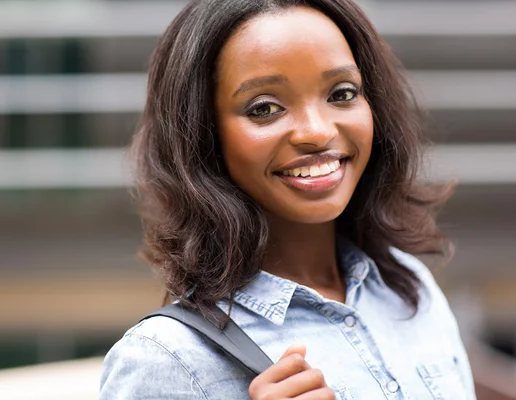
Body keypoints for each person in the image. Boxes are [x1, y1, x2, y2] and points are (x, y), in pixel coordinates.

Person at [100, 0, 476, 399]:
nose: (316, 131)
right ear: (203, 135)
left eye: (342, 93)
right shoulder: (165, 359)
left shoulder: (408, 289)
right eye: (264, 108)